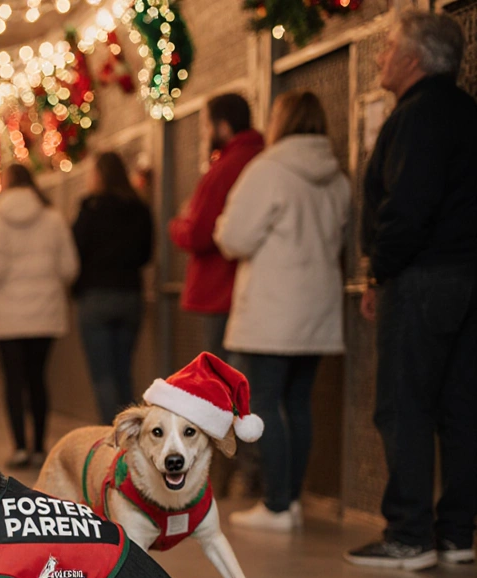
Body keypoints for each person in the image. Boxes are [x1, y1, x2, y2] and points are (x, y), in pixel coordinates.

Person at [347, 11, 477, 570]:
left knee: (403, 405)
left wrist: (380, 271)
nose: (379, 57)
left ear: (414, 57)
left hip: (421, 277)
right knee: (460, 407)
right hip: (467, 277)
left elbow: (407, 208)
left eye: (388, 46)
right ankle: (456, 533)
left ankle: (408, 534)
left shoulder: (416, 117)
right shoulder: (467, 112)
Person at [213, 91, 351, 532]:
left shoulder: (267, 171)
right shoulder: (338, 178)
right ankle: (290, 500)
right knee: (299, 404)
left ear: (282, 120)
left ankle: (275, 506)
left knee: (266, 405)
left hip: (273, 309)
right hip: (318, 307)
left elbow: (234, 237)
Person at [0, 164, 78, 468]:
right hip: (45, 313)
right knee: (38, 379)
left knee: (13, 382)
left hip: (5, 315)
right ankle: (40, 446)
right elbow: (69, 267)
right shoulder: (53, 218)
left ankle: (19, 447)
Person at [169, 93, 265, 361]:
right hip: (254, 290)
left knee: (220, 381)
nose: (204, 135)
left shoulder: (225, 168)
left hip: (220, 290)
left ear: (223, 127)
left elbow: (200, 233)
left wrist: (177, 224)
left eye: (206, 126)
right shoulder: (262, 158)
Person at [72, 152, 154, 424]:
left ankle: (114, 437)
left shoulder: (91, 209)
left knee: (103, 376)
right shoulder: (139, 208)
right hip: (130, 295)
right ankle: (132, 435)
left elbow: (76, 251)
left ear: (99, 175)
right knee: (123, 371)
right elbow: (146, 254)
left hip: (96, 297)